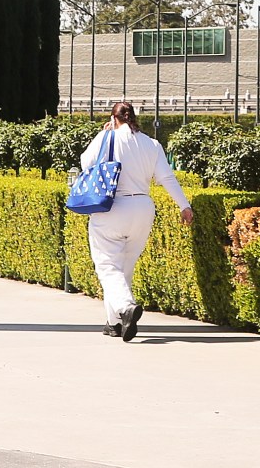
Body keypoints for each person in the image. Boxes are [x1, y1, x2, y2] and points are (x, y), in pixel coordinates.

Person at [81, 100, 192, 341]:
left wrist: (103, 135)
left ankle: (126, 308)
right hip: (142, 208)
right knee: (124, 268)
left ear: (114, 119)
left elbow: (85, 163)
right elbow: (167, 177)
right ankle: (115, 323)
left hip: (111, 207)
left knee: (108, 266)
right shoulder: (151, 144)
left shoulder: (106, 137)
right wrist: (184, 205)